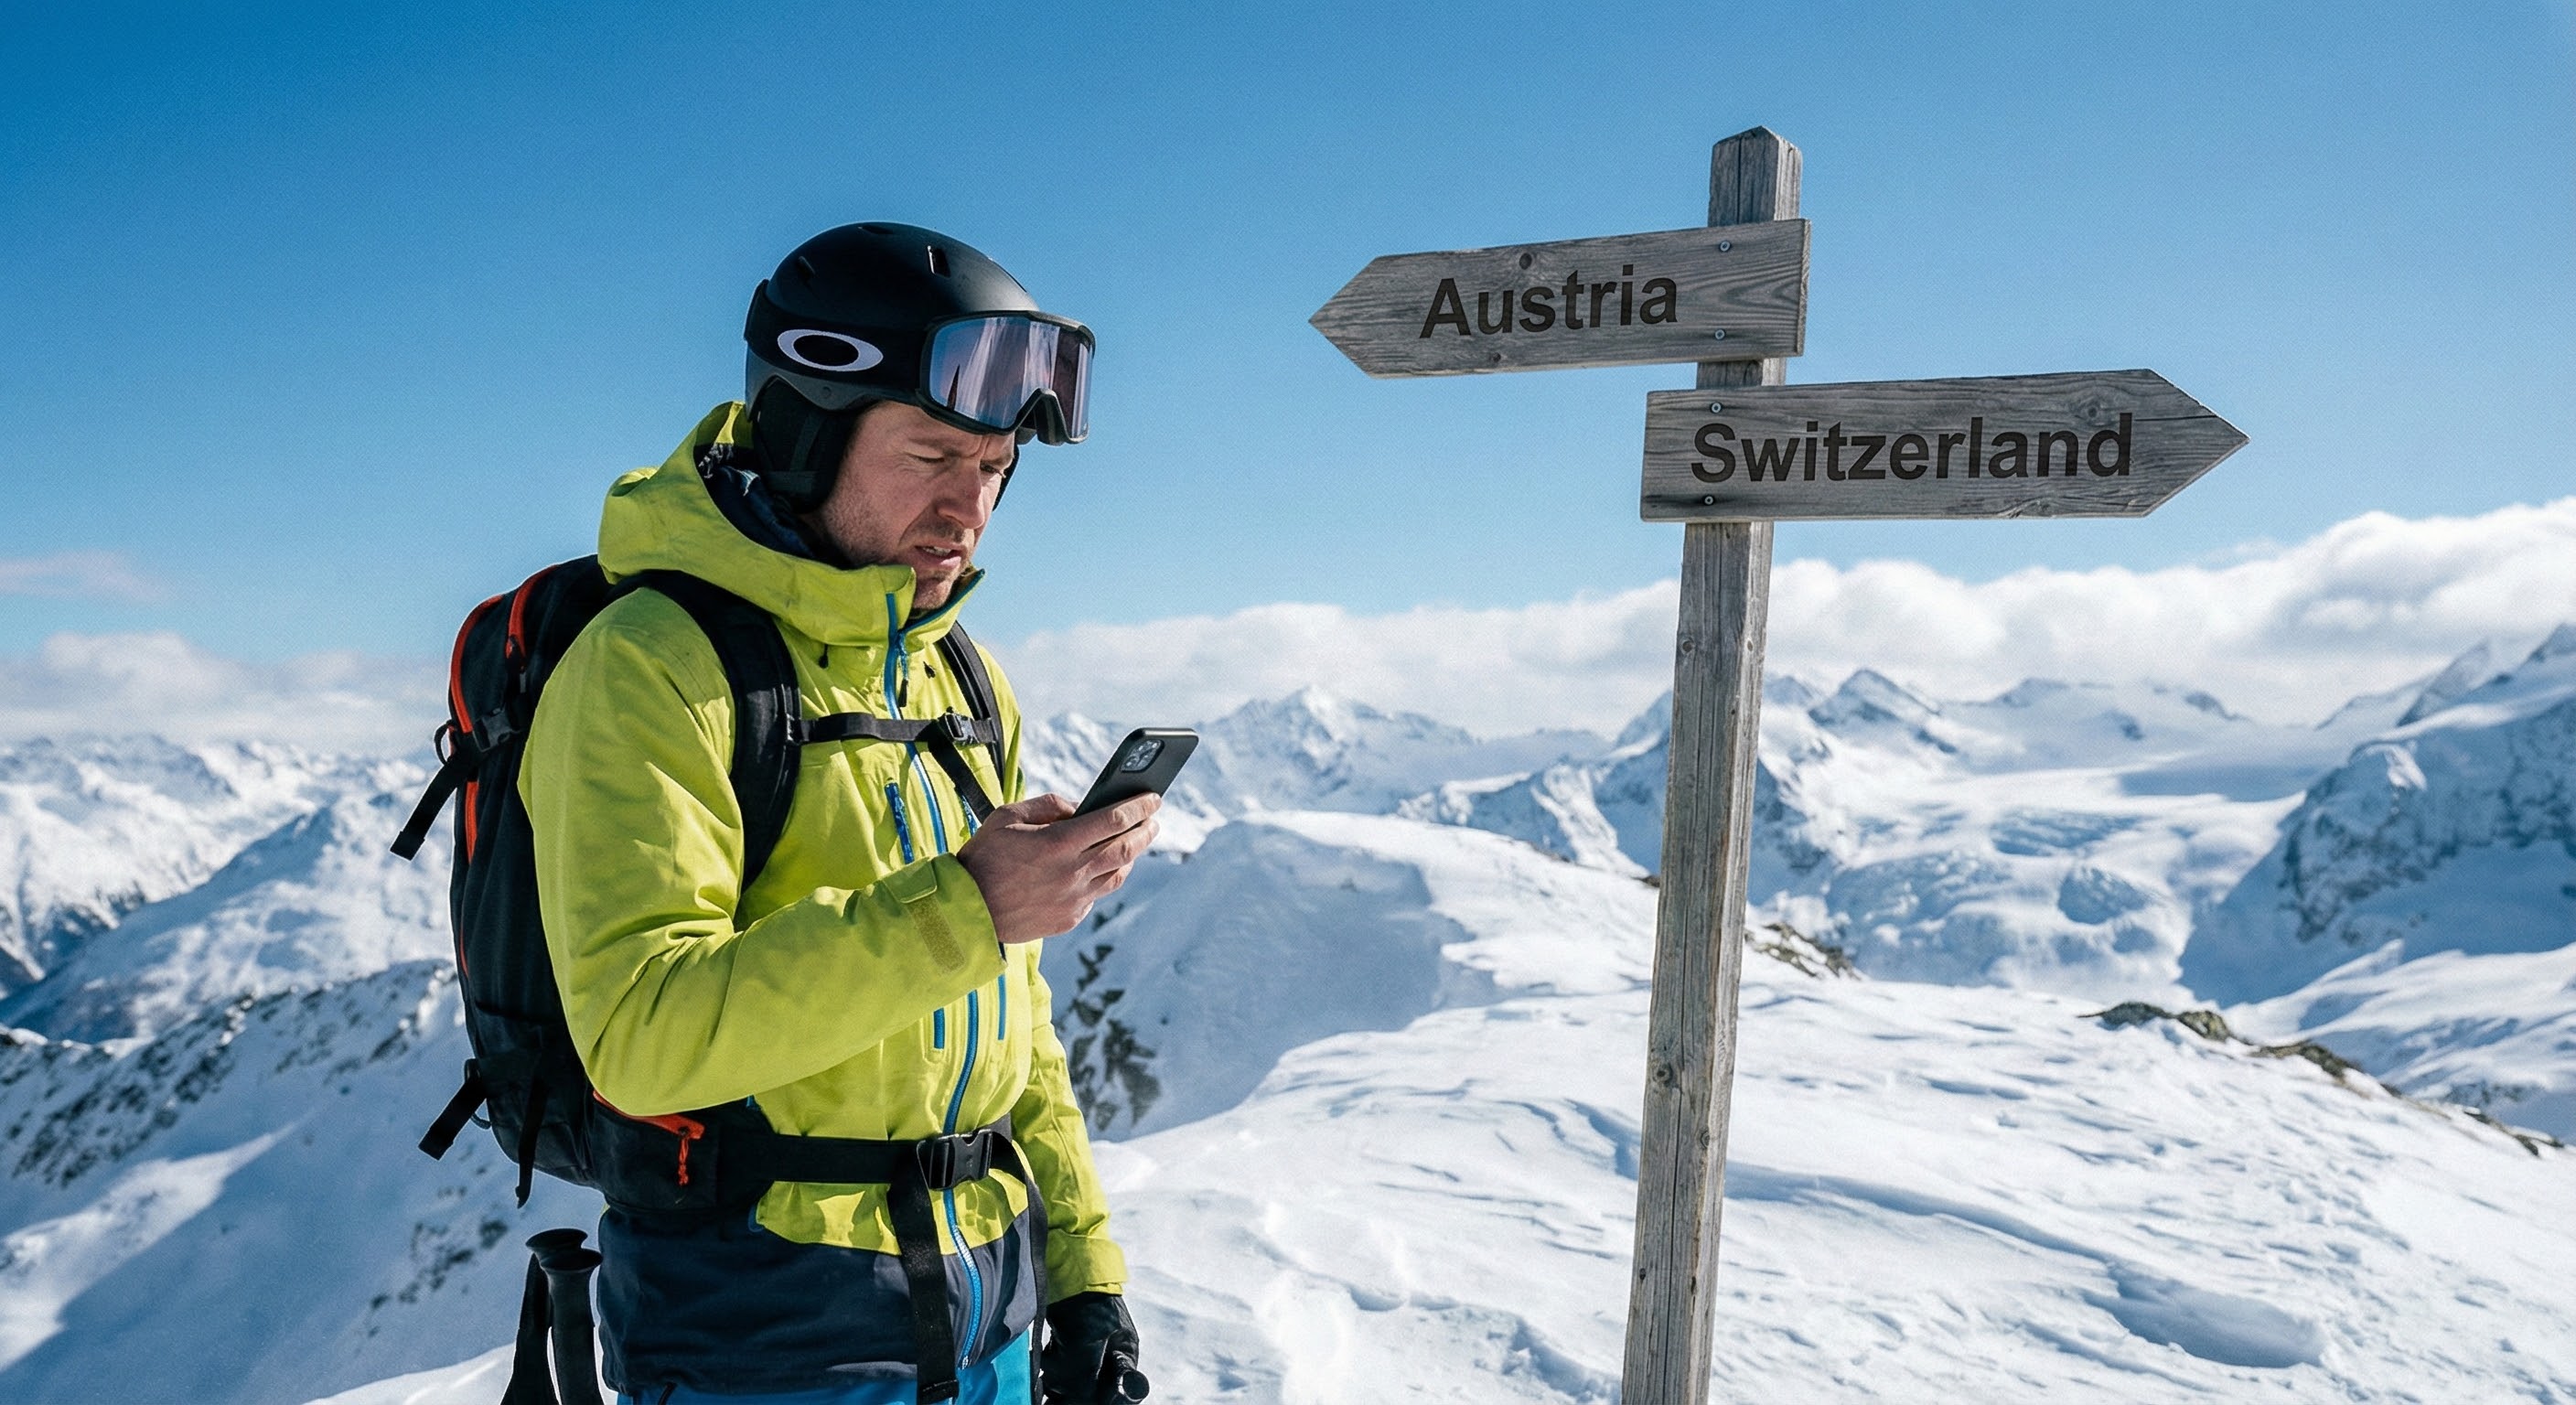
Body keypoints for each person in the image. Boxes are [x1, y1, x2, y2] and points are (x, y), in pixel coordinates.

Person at [519, 222, 1153, 1404]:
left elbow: (1011, 1015)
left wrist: (1084, 1279)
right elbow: (642, 1034)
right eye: (932, 458)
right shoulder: (655, 664)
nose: (970, 512)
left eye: (997, 472)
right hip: (761, 1324)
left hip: (992, 1310)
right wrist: (968, 905)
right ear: (805, 434)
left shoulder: (957, 676)